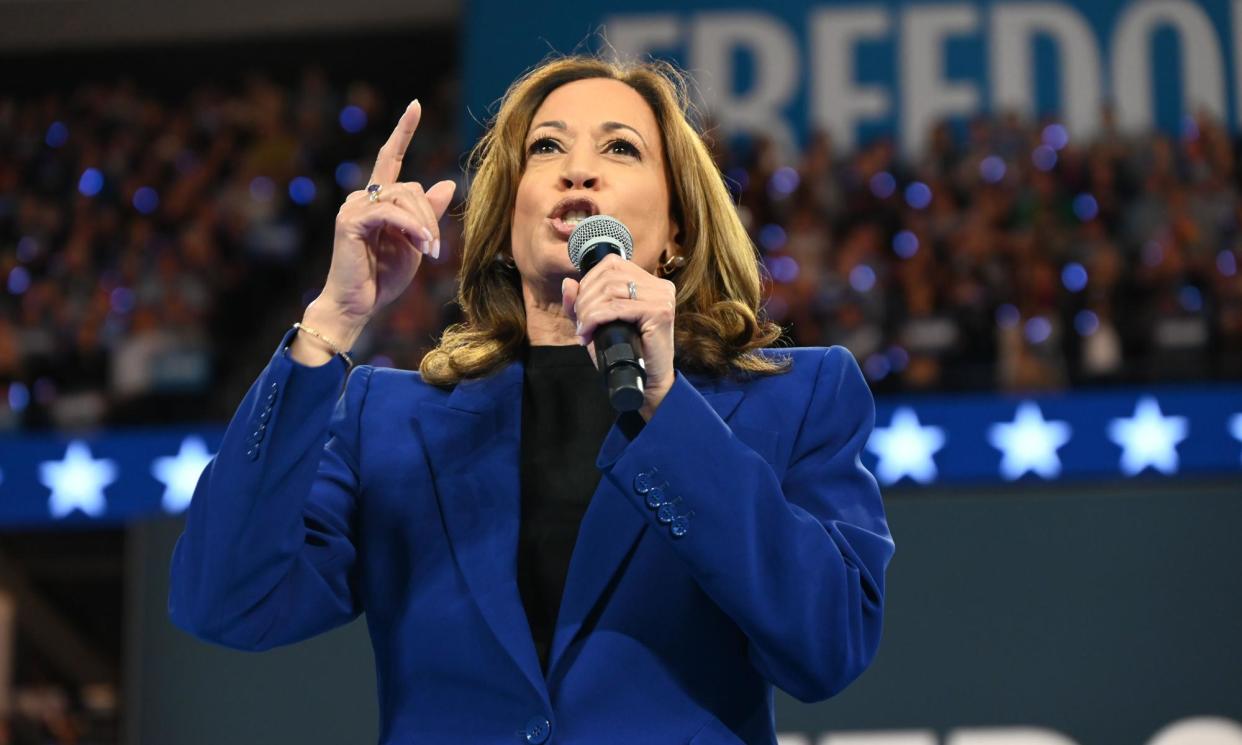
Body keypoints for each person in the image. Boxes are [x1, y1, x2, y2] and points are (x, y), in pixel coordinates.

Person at [168, 55, 894, 744]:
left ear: (677, 225)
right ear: (505, 226)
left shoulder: (793, 397)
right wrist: (331, 321)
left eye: (620, 149)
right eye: (546, 148)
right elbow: (225, 599)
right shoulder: (388, 417)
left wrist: (666, 403)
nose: (578, 170)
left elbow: (827, 644)